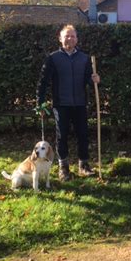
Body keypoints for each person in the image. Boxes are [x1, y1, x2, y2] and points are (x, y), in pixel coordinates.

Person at [36, 24, 100, 182]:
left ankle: (83, 165)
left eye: (72, 36)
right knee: (62, 136)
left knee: (83, 135)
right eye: (67, 36)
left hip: (80, 103)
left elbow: (88, 80)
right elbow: (43, 82)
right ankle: (63, 167)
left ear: (77, 39)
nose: (70, 39)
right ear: (60, 38)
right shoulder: (53, 58)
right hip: (61, 104)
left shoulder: (84, 59)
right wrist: (40, 103)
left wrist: (95, 80)